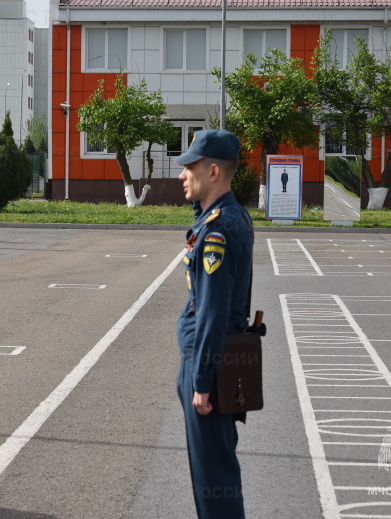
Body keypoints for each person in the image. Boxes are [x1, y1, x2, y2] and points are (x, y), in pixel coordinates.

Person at [175, 129, 254, 519]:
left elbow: (212, 313)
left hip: (210, 367)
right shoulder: (224, 218)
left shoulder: (218, 229)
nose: (181, 174)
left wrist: (202, 382)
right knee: (213, 475)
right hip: (213, 363)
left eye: (189, 166)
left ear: (213, 171)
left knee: (215, 481)